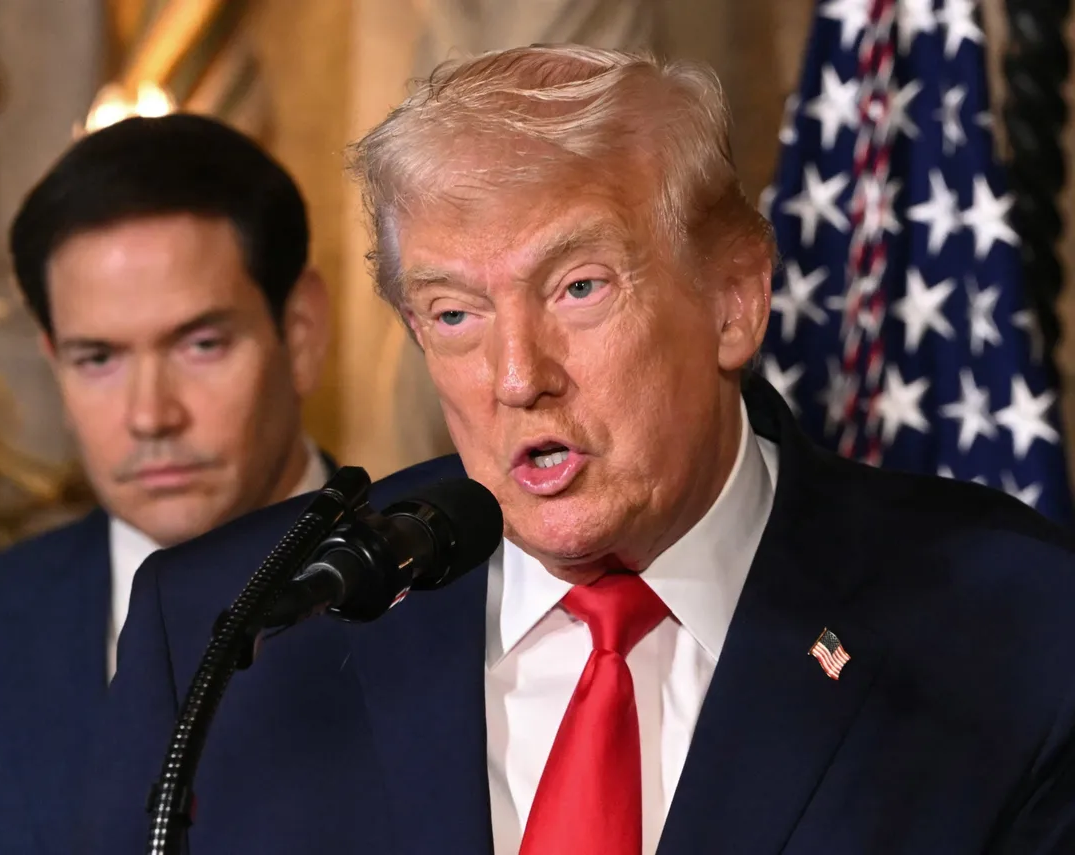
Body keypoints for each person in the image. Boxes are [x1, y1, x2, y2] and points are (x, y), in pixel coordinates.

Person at [79, 47, 1075, 855]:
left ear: (733, 299)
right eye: (454, 313)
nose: (518, 377)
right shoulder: (234, 634)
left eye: (578, 289)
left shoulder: (1013, 626)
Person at [0, 113, 334, 855]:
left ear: (302, 332)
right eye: (98, 359)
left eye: (201, 344)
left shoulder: (466, 606)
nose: (150, 414)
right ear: (53, 359)